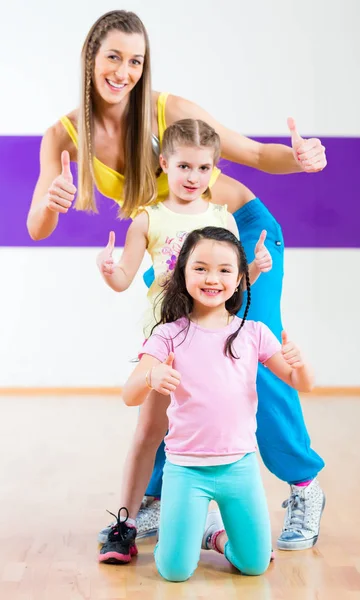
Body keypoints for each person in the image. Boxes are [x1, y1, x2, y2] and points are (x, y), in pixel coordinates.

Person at [26, 9, 326, 549]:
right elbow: (36, 227)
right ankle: (164, 498)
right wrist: (51, 203)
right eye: (113, 56)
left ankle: (304, 484)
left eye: (135, 60)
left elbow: (257, 155)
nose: (123, 71)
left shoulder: (170, 110)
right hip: (174, 250)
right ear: (90, 58)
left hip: (242, 236)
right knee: (174, 367)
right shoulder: (64, 136)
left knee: (249, 355)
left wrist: (302, 159)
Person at [105, 226, 314, 581]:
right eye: (200, 268)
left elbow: (301, 384)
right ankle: (187, 535)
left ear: (239, 279)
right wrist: (151, 376)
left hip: (240, 469)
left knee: (254, 564)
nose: (212, 278)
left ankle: (215, 538)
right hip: (186, 470)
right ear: (183, 272)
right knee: (174, 571)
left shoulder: (254, 333)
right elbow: (129, 394)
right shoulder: (168, 334)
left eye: (224, 270)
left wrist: (299, 363)